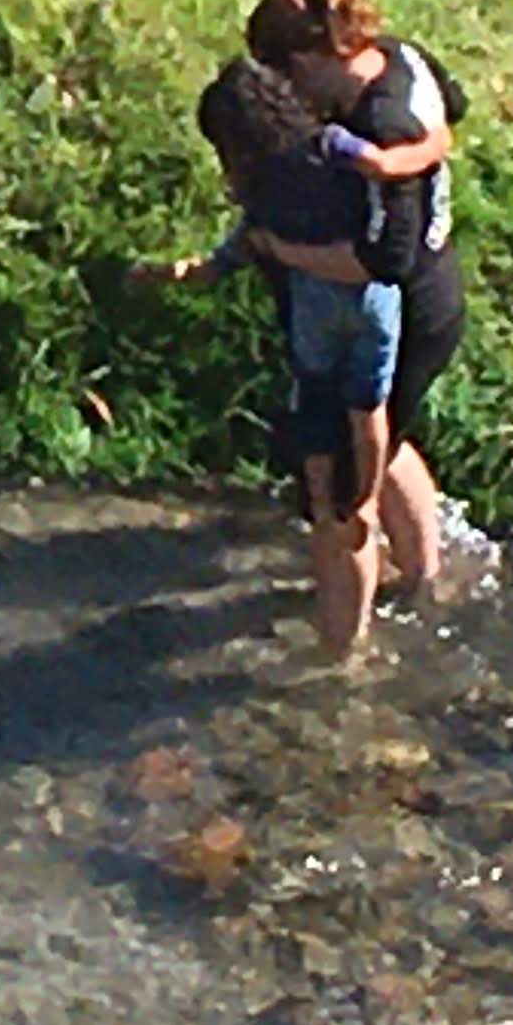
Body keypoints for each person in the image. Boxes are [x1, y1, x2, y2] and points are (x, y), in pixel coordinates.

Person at [149, 57, 399, 660]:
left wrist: (196, 270)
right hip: (373, 303)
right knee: (369, 406)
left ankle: (325, 501)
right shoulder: (328, 149)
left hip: (316, 312)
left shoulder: (261, 185)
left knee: (316, 402)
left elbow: (247, 241)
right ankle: (363, 501)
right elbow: (373, 185)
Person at [247, 0, 470, 600]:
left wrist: (275, 248)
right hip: (438, 287)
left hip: (411, 311)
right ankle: (425, 578)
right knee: (386, 429)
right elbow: (455, 107)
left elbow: (382, 263)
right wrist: (423, 153)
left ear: (311, 61)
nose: (287, 97)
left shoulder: (380, 124)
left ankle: (343, 659)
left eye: (285, 79)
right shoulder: (400, 55)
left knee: (345, 496)